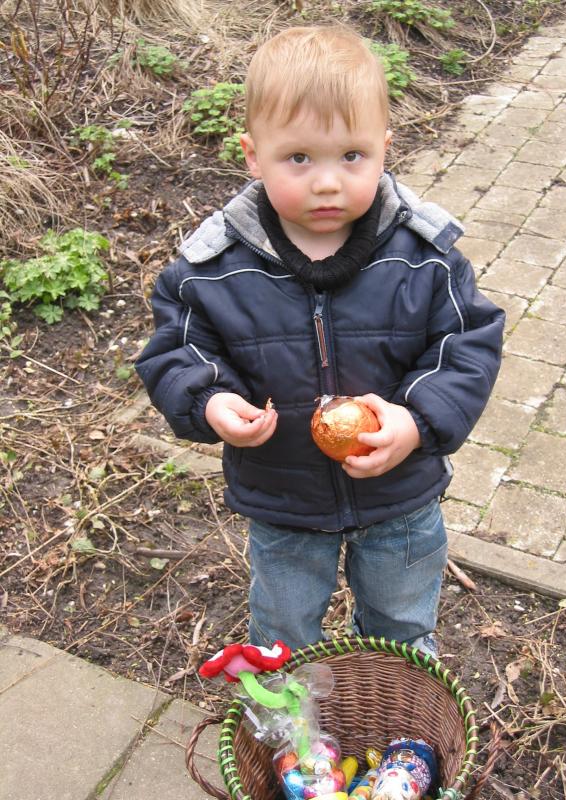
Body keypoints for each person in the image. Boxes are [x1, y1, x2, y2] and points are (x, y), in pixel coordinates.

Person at [135, 25, 504, 656]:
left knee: (404, 627)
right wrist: (210, 401)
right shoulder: (213, 268)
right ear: (254, 157)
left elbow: (466, 344)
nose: (327, 183)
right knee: (282, 634)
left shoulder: (424, 258)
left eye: (351, 156)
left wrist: (415, 423)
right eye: (299, 158)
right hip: (283, 500)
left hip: (400, 497)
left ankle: (402, 729)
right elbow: (178, 349)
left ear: (385, 149)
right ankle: (293, 738)